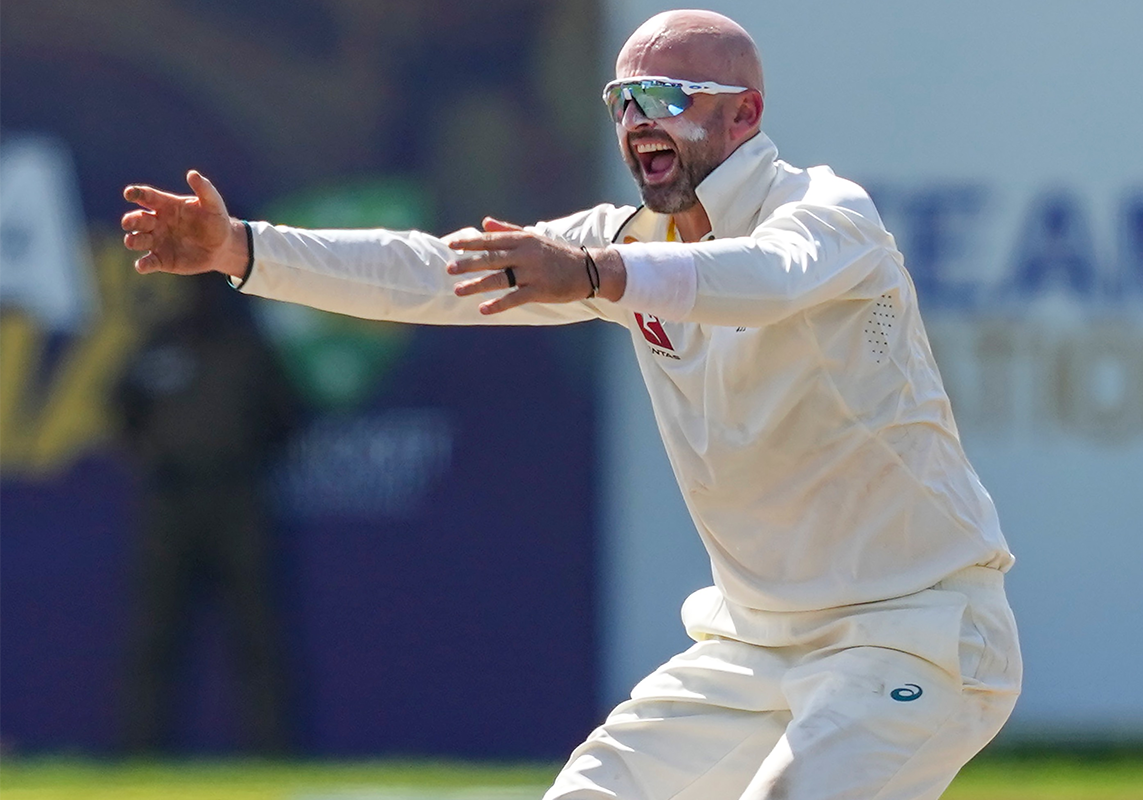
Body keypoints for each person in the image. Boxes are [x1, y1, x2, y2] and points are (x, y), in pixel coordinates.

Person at [121, 9, 1021, 799]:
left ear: (744, 113)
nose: (637, 122)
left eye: (667, 96)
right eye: (622, 100)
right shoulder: (620, 240)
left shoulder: (829, 214)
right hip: (756, 646)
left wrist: (596, 277)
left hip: (916, 634)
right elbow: (432, 273)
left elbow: (765, 278)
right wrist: (246, 248)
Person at [115, 274, 296, 754]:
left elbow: (286, 416)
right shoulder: (159, 343)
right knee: (156, 633)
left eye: (208, 284)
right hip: (171, 497)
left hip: (234, 496)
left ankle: (272, 756)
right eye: (191, 284)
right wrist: (154, 451)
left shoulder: (247, 345)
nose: (199, 295)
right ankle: (139, 758)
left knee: (255, 633)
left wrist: (241, 455)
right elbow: (121, 407)